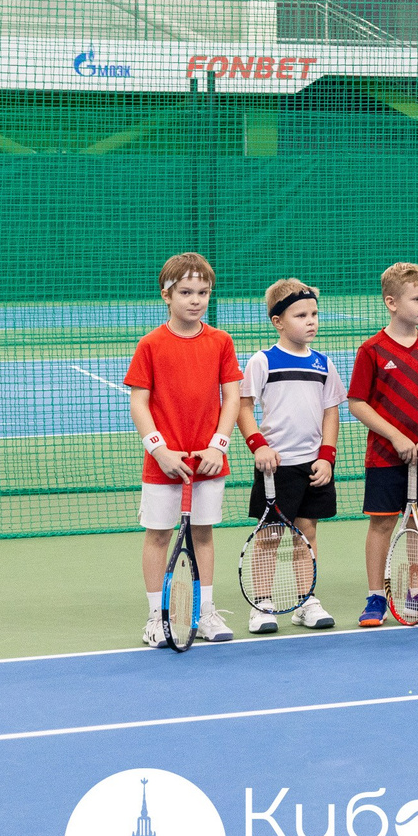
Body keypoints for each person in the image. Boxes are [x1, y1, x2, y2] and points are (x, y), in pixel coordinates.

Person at [128, 251, 243, 646]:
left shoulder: (221, 341)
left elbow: (232, 397)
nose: (196, 300)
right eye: (186, 292)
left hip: (208, 462)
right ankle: (157, 618)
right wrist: (159, 450)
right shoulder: (150, 344)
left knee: (203, 535)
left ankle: (204, 612)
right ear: (167, 295)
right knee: (159, 535)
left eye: (203, 292)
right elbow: (139, 403)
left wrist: (219, 446)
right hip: (165, 463)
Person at [347, 262, 418, 626]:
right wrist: (394, 436)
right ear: (392, 302)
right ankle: (376, 596)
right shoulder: (372, 350)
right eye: (417, 298)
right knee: (381, 524)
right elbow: (357, 403)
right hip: (384, 458)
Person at [236, 277, 344, 633]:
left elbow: (331, 411)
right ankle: (262, 604)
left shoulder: (323, 364)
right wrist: (258, 446)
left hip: (313, 465)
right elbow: (243, 406)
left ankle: (305, 601)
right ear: (278, 321)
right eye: (300, 315)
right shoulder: (262, 361)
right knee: (269, 535)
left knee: (306, 533)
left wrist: (326, 456)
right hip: (275, 467)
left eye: (314, 313)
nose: (311, 321)